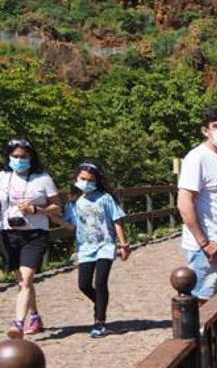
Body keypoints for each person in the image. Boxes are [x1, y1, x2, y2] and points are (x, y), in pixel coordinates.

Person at [177, 106, 217, 300]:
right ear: (206, 130)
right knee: (203, 301)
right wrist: (204, 242)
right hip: (208, 246)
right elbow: (185, 202)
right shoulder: (197, 158)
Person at [0, 138, 61, 335]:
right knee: (22, 282)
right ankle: (34, 316)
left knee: (26, 280)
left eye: (24, 156)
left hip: (35, 233)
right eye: (15, 156)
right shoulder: (2, 177)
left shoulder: (42, 178)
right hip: (8, 234)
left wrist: (36, 209)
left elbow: (57, 206)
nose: (19, 160)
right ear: (9, 157)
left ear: (31, 157)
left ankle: (18, 323)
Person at [63, 162, 128, 338]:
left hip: (105, 245)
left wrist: (123, 244)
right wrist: (53, 218)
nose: (86, 182)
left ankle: (100, 321)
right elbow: (71, 226)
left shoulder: (105, 198)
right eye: (83, 179)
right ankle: (100, 303)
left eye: (90, 180)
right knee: (83, 284)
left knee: (100, 282)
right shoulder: (73, 202)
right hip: (85, 247)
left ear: (97, 181)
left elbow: (117, 220)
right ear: (76, 178)